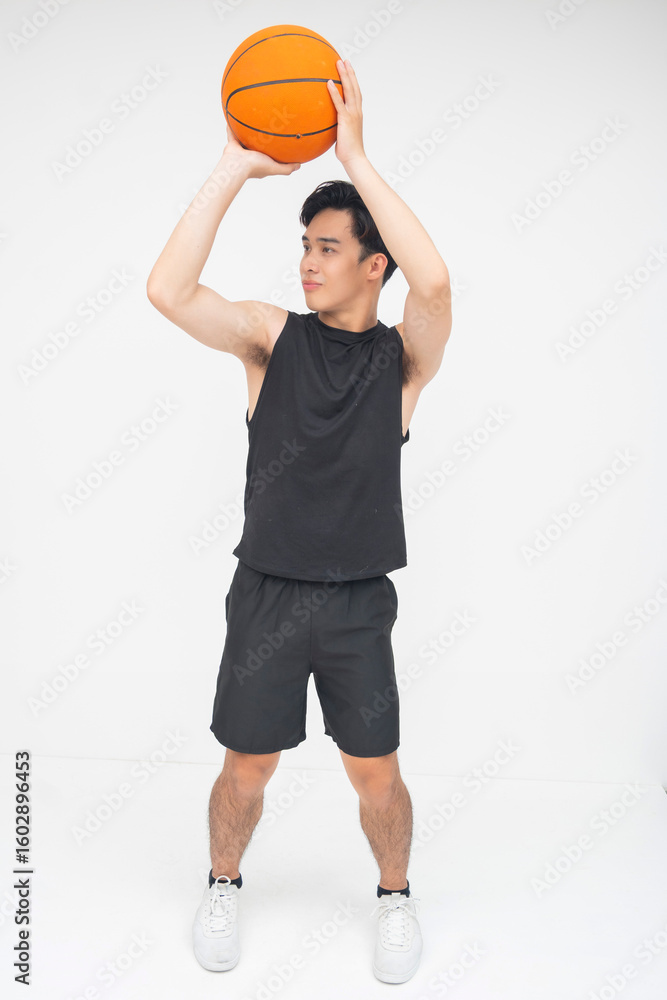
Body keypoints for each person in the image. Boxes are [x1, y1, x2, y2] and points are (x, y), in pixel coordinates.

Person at [146, 58, 451, 985]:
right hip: (267, 594)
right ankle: (222, 883)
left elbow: (435, 283)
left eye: (327, 247)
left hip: (358, 602)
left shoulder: (402, 363)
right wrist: (236, 165)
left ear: (372, 265)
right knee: (246, 768)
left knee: (376, 774)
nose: (307, 261)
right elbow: (168, 291)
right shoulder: (270, 339)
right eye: (304, 245)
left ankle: (393, 897)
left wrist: (352, 156)